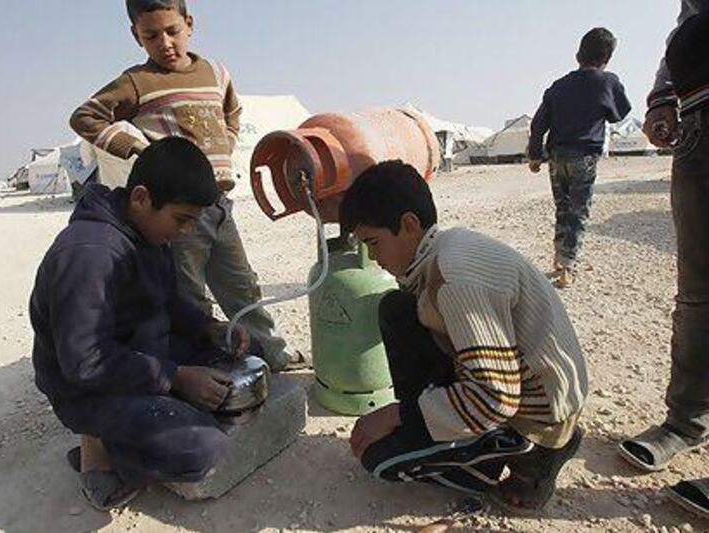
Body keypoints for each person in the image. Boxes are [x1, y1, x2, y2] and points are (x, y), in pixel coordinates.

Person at [340, 161, 588, 513]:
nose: (373, 257)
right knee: (397, 308)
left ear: (409, 225)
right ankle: (444, 428)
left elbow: (495, 398)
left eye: (373, 243)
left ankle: (526, 454)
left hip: (531, 411)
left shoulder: (455, 277)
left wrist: (399, 415)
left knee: (378, 460)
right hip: (511, 385)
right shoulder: (442, 249)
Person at [69, 0, 302, 371]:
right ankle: (201, 363)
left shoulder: (215, 72)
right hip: (180, 212)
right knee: (187, 293)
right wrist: (137, 149)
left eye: (172, 31)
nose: (165, 43)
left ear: (189, 24)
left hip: (220, 205)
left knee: (241, 284)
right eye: (151, 35)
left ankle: (267, 350)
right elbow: (85, 116)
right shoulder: (137, 82)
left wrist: (223, 144)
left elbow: (233, 112)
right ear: (136, 36)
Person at [30, 137, 251, 511]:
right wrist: (176, 377)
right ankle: (98, 449)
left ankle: (153, 415)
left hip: (141, 350)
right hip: (89, 388)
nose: (185, 232)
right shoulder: (90, 254)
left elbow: (167, 302)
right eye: (181, 220)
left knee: (246, 351)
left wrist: (209, 328)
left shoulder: (147, 232)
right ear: (140, 198)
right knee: (201, 448)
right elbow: (85, 362)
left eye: (192, 222)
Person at [615, 1, 709, 519]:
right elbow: (689, 19)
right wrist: (662, 98)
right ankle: (685, 422)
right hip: (698, 121)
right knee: (697, 296)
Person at [528, 28, 632, 289]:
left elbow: (538, 124)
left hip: (557, 158)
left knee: (562, 209)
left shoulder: (557, 86)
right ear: (607, 57)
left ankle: (558, 255)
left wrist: (534, 155)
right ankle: (567, 265)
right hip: (584, 157)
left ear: (578, 54)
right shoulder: (607, 81)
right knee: (578, 212)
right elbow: (619, 113)